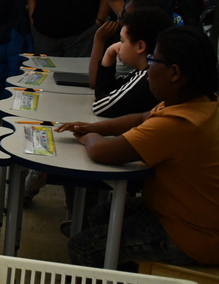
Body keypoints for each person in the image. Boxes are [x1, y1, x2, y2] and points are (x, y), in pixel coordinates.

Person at [56, 26, 219, 268]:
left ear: (174, 73)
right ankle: (124, 274)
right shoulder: (200, 104)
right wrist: (97, 128)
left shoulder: (180, 124)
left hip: (187, 236)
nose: (148, 69)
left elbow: (103, 152)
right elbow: (142, 118)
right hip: (182, 215)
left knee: (84, 247)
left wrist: (86, 137)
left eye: (153, 60)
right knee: (99, 214)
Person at [92, 7, 172, 117]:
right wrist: (109, 54)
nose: (118, 46)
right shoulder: (145, 71)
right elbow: (111, 90)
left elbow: (100, 106)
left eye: (122, 41)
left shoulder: (147, 77)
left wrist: (108, 53)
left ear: (140, 46)